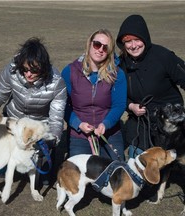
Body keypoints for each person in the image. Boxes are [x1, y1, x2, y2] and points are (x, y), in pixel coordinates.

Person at [0, 37, 67, 184]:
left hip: (38, 126)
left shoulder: (57, 82)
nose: (28, 74)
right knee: (2, 165)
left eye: (34, 70)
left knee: (44, 180)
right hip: (14, 119)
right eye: (25, 69)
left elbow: (56, 118)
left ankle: (46, 159)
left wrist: (52, 140)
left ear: (44, 67)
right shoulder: (12, 70)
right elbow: (1, 93)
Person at [116, 14, 185, 158]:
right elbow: (117, 95)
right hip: (140, 122)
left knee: (172, 162)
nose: (133, 45)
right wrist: (131, 106)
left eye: (137, 40)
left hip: (170, 121)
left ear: (145, 38)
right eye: (128, 41)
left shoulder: (164, 56)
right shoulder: (121, 64)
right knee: (139, 163)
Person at [62, 29, 127, 160]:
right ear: (89, 44)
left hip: (109, 133)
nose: (100, 50)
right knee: (80, 175)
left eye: (106, 47)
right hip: (79, 134)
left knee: (116, 172)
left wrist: (106, 124)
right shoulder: (70, 71)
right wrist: (78, 124)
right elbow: (63, 105)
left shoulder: (117, 74)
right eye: (97, 44)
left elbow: (119, 105)